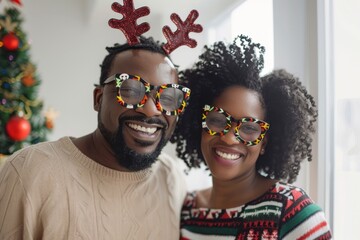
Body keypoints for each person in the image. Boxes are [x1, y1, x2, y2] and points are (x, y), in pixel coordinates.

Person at [0, 36, 190, 239]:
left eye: (169, 98)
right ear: (98, 99)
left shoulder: (172, 178)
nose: (151, 110)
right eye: (131, 90)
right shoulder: (29, 171)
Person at [171, 35, 332, 239]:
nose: (229, 138)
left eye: (249, 128)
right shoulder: (187, 210)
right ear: (199, 124)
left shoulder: (292, 212)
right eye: (218, 120)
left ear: (264, 143)